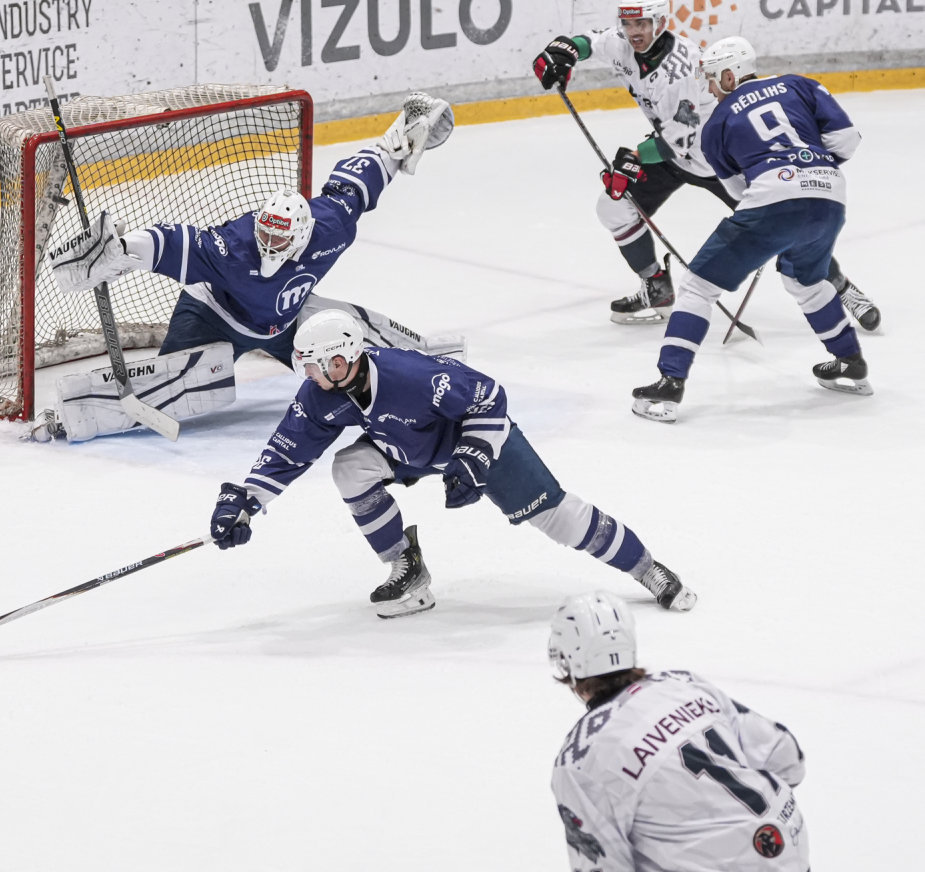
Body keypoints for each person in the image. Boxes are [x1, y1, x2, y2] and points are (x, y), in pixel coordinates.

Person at [206, 310, 696, 617]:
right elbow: (288, 451)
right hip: (408, 448)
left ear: (341, 360)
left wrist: (472, 459)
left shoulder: (411, 375)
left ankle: (646, 568)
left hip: (476, 442)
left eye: (314, 365)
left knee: (557, 518)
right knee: (350, 468)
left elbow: (490, 398)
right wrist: (245, 501)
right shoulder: (321, 394)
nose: (308, 374)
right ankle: (407, 568)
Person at [38, 92, 465, 441]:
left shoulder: (329, 227)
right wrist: (121, 249)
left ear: (302, 236)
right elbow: (173, 241)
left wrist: (397, 139)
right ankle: (70, 417)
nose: (268, 244)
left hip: (285, 322)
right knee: (171, 387)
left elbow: (356, 185)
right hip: (213, 316)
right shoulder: (235, 248)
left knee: (351, 347)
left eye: (280, 240)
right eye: (265, 234)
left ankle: (436, 369)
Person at [533, 0, 880, 329]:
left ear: (660, 22)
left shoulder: (680, 69)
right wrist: (565, 50)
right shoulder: (624, 42)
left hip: (719, 158)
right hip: (673, 154)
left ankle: (842, 288)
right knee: (613, 208)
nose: (634, 32)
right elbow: (590, 42)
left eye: (642, 24)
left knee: (785, 226)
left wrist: (634, 159)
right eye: (628, 23)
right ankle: (656, 287)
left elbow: (681, 140)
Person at [632, 37, 871, 421]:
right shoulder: (800, 84)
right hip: (830, 196)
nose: (710, 89)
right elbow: (847, 140)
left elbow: (739, 192)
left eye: (713, 80)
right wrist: (810, 167)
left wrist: (780, 196)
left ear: (730, 76)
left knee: (697, 287)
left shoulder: (716, 124)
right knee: (806, 281)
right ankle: (850, 361)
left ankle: (670, 382)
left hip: (774, 199)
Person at [548, 591, 809, 872]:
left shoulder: (580, 759)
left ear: (565, 661)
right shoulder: (683, 683)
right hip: (788, 843)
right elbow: (787, 757)